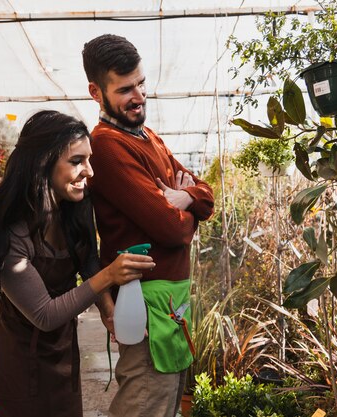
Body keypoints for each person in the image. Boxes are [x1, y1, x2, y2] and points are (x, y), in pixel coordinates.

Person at [0, 110, 155, 417]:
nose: (89, 171)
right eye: (77, 161)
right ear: (43, 162)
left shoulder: (75, 208)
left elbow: (88, 260)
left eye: (89, 159)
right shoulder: (8, 233)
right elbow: (45, 314)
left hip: (61, 349)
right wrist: (111, 275)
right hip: (18, 353)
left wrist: (109, 313)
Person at [82, 35, 215, 417]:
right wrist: (186, 213)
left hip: (171, 300)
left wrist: (187, 198)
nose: (138, 95)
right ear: (96, 92)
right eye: (125, 89)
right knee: (145, 403)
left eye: (141, 83)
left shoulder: (148, 137)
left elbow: (205, 192)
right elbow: (171, 230)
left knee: (166, 403)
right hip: (144, 302)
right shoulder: (107, 146)